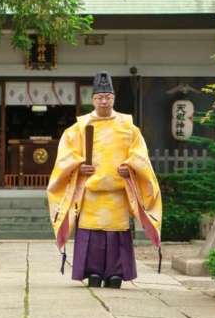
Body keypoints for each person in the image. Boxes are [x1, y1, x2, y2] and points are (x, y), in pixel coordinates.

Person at [46, 71, 162, 288]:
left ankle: (116, 273)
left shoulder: (128, 127)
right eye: (100, 97)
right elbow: (65, 155)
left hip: (117, 192)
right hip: (91, 192)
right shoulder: (80, 127)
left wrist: (131, 167)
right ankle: (93, 272)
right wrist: (80, 166)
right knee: (92, 234)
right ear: (93, 100)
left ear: (114, 98)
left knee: (117, 234)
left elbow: (140, 155)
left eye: (108, 96)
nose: (104, 101)